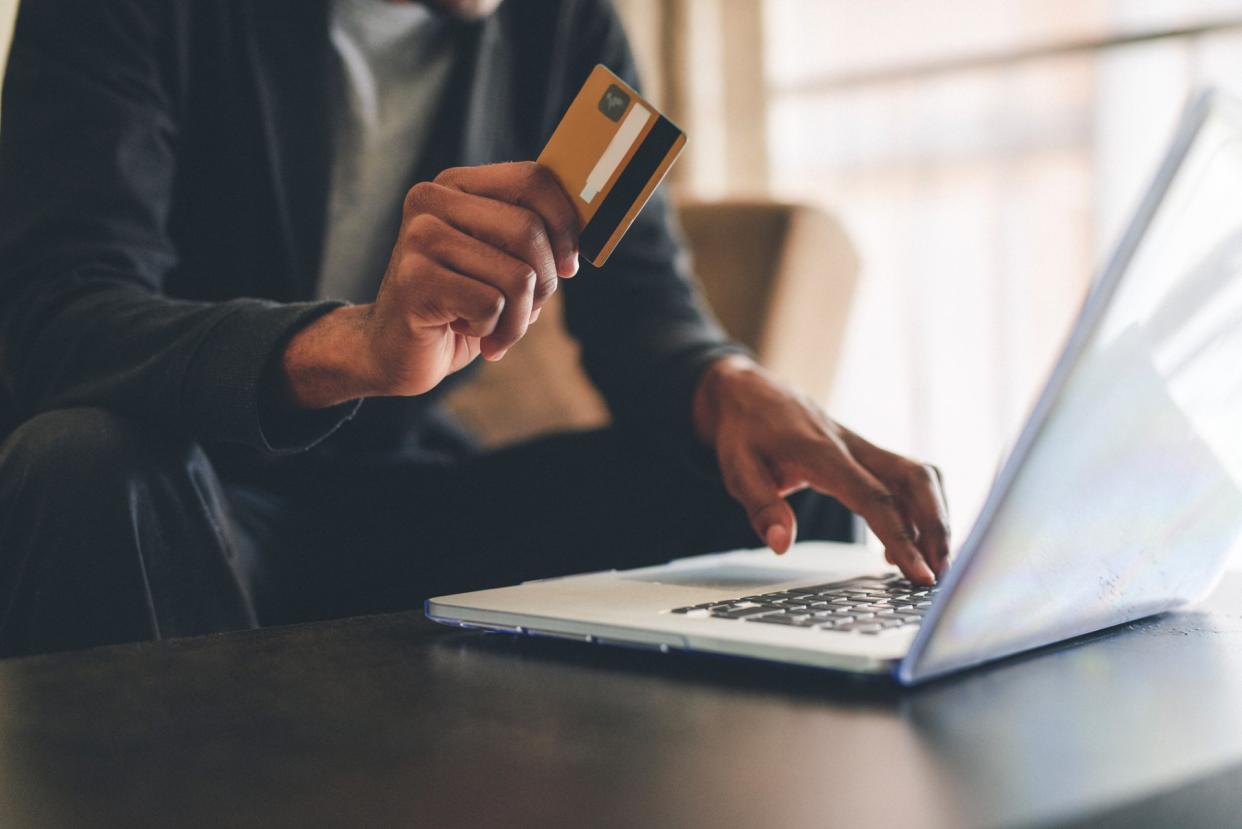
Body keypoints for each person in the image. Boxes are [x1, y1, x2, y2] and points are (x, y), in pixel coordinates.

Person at [0, 0, 949, 658]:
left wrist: (725, 380)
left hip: (412, 500)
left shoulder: (565, 23)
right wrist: (355, 346)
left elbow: (645, 316)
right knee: (84, 464)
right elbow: (59, 314)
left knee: (781, 504)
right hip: (199, 500)